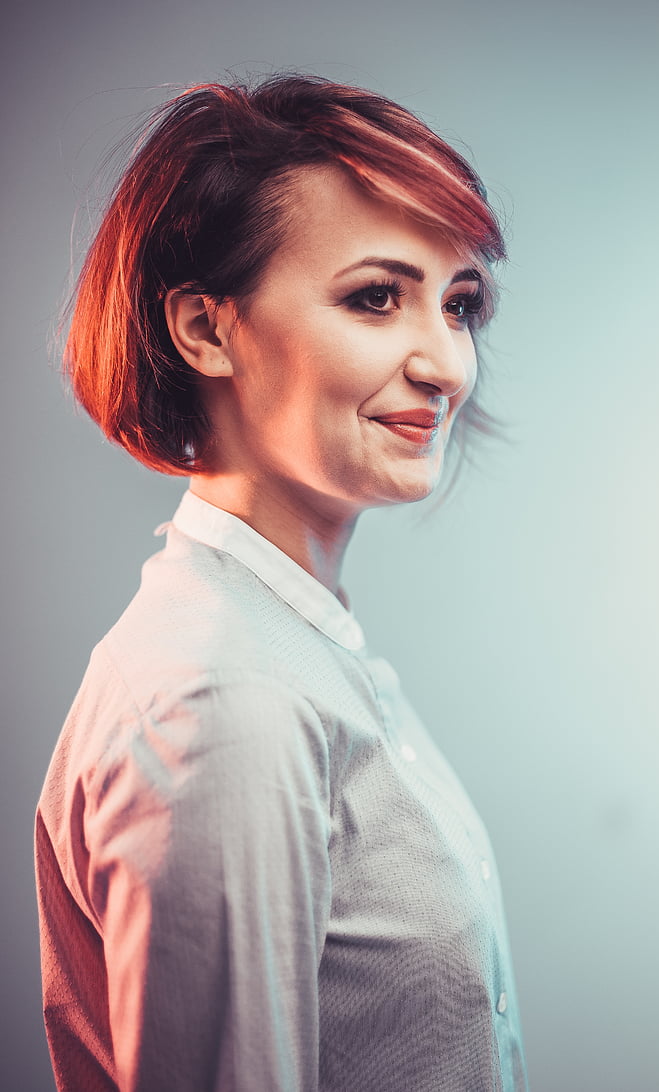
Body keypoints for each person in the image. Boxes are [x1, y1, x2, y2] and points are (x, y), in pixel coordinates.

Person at [34, 74, 528, 1092]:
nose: (446, 364)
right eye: (374, 297)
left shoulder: (289, 646)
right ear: (204, 331)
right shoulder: (226, 702)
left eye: (460, 304)